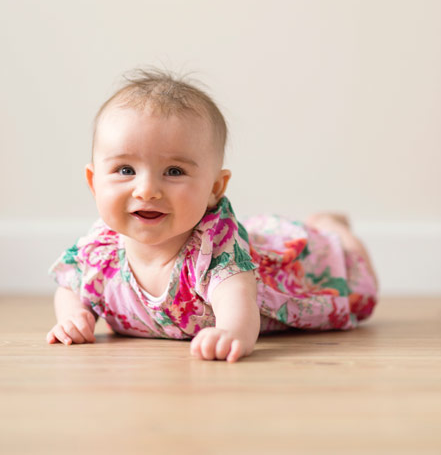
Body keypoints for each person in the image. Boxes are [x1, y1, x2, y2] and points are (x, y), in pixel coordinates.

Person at [46, 68, 378, 362]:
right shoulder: (99, 250)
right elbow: (72, 286)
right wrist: (75, 316)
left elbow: (239, 304)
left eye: (174, 171)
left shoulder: (216, 255)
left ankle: (332, 227)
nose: (146, 190)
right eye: (125, 169)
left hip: (306, 268)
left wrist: (233, 332)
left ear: (215, 188)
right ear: (93, 182)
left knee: (358, 284)